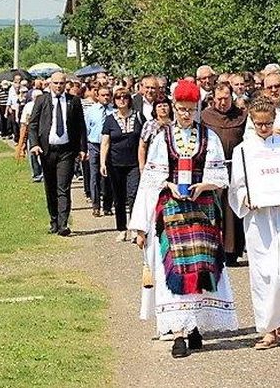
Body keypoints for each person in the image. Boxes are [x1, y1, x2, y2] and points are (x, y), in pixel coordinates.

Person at [129, 80, 238, 359]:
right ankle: (178, 331)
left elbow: (219, 177)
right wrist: (169, 185)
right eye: (181, 109)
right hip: (172, 211)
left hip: (202, 211)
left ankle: (194, 327)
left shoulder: (208, 136)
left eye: (190, 109)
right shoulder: (162, 137)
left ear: (197, 108)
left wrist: (204, 185)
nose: (185, 114)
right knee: (175, 269)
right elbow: (151, 178)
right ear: (173, 107)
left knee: (201, 268)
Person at [229, 96, 280, 349]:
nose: (264, 129)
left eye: (268, 123)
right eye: (259, 124)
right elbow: (237, 186)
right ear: (252, 122)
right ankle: (270, 328)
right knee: (264, 272)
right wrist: (245, 198)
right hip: (258, 219)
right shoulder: (243, 150)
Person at [28, 72, 88, 236]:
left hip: (66, 151)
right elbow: (32, 124)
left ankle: (63, 224)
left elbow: (81, 126)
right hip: (47, 151)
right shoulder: (42, 100)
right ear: (50, 84)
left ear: (65, 84)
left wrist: (82, 148)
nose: (59, 86)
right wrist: (34, 144)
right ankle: (53, 220)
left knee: (63, 187)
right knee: (51, 187)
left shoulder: (73, 101)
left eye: (61, 83)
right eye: (55, 83)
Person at [201, 83, 248, 266]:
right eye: (219, 98)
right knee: (213, 208)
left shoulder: (241, 116)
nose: (222, 102)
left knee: (233, 210)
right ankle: (213, 249)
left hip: (234, 168)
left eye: (226, 98)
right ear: (213, 98)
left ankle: (232, 252)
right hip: (212, 169)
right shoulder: (206, 116)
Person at [101, 89, 143, 242]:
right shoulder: (110, 119)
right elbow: (105, 142)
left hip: (134, 163)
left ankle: (134, 227)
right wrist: (102, 163)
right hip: (115, 163)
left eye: (125, 97)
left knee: (133, 195)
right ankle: (121, 228)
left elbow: (144, 139)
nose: (122, 100)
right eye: (118, 97)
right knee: (118, 197)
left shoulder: (138, 116)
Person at [86, 87, 116, 217]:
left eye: (108, 95)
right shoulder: (91, 111)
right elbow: (86, 129)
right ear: (97, 96)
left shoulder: (114, 111)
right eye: (103, 95)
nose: (106, 97)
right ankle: (96, 205)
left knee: (108, 176)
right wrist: (85, 148)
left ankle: (107, 206)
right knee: (94, 176)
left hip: (110, 146)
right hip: (94, 145)